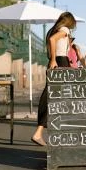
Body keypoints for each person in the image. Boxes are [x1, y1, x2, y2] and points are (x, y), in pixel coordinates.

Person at [31, 12, 77, 146]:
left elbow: (52, 41)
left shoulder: (56, 29)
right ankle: (40, 133)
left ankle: (43, 132)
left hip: (59, 61)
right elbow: (53, 40)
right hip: (60, 61)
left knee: (53, 97)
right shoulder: (64, 30)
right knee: (54, 97)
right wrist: (53, 60)